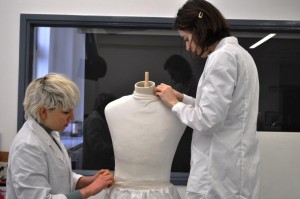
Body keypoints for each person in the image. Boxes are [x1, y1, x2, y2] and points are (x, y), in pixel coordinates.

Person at [155, 1, 260, 199]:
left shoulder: (222, 58)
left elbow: (208, 120)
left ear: (199, 28)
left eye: (187, 39)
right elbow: (220, 111)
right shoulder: (241, 55)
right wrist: (183, 98)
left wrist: (174, 104)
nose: (187, 47)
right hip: (233, 171)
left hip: (218, 177)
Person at [6, 73, 114, 199]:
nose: (72, 117)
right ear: (43, 112)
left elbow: (60, 176)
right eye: (66, 112)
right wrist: (90, 190)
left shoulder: (51, 133)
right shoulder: (27, 146)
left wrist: (89, 180)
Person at [104, 80, 186, 198]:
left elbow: (204, 114)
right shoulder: (112, 108)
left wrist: (180, 98)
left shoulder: (177, 112)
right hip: (121, 194)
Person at [82, 92, 116, 170]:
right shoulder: (95, 120)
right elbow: (98, 147)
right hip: (95, 168)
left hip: (96, 168)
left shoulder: (97, 118)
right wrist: (117, 149)